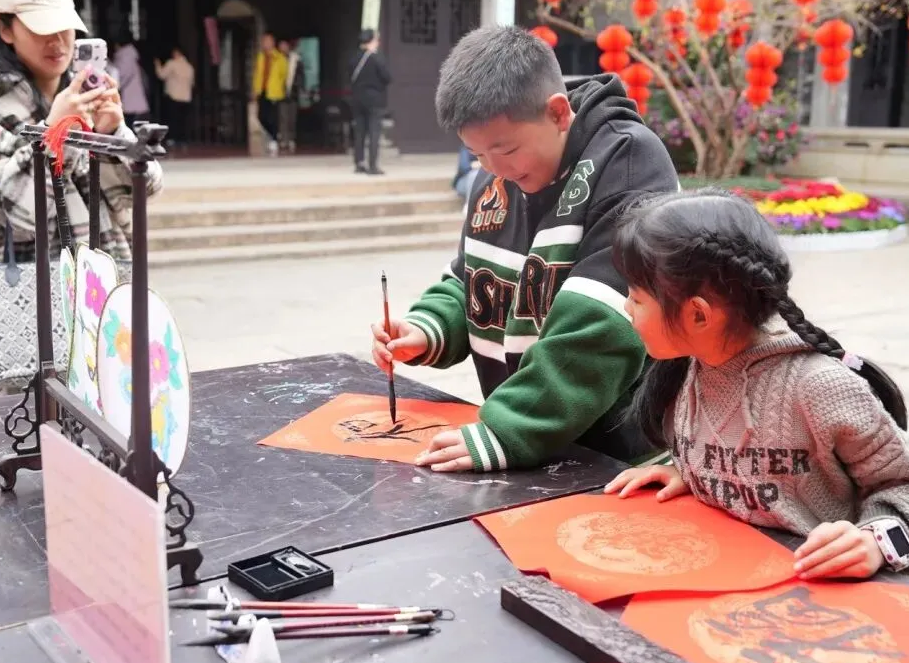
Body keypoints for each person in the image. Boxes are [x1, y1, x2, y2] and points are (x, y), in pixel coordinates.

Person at [370, 25, 678, 472]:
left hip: (619, 454)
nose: (494, 168)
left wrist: (509, 429)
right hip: (531, 443)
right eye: (477, 154)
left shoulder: (629, 163)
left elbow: (602, 328)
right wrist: (428, 327)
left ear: (557, 113)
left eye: (506, 149)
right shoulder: (497, 177)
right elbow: (474, 281)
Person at [604, 190, 909, 578]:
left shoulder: (819, 388)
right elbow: (746, 467)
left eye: (636, 298)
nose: (626, 308)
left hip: (820, 597)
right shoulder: (688, 368)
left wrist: (876, 542)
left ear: (699, 315)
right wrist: (697, 476)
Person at [0, 0, 163, 270]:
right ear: (6, 31)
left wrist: (113, 134)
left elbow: (142, 191)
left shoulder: (87, 96)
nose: (58, 40)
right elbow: (17, 217)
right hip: (19, 280)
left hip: (96, 276)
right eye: (41, 28)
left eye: (65, 26)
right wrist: (55, 134)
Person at [349, 29, 390, 175]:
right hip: (374, 100)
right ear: (371, 41)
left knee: (359, 131)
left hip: (357, 99)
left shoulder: (354, 58)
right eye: (377, 40)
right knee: (374, 132)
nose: (378, 43)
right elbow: (387, 77)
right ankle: (373, 166)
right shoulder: (377, 58)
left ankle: (359, 163)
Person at [252, 33, 288, 157]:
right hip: (262, 91)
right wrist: (255, 90)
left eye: (267, 41)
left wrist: (278, 86)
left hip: (274, 92)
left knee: (272, 117)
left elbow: (284, 74)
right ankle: (272, 135)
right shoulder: (261, 57)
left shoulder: (279, 58)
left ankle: (274, 140)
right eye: (264, 41)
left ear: (272, 43)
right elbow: (257, 74)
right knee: (260, 116)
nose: (265, 44)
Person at [155, 47, 195, 146]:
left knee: (173, 119)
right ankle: (183, 139)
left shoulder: (172, 63)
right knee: (183, 120)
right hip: (186, 97)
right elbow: (192, 83)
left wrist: (157, 65)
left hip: (173, 96)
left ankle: (172, 139)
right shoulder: (189, 67)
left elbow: (161, 75)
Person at [111, 32, 150, 126]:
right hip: (133, 99)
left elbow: (121, 75)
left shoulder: (125, 56)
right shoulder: (130, 55)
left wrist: (114, 85)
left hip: (131, 100)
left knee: (131, 124)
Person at [278, 38, 305, 154]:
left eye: (284, 46)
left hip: (293, 93)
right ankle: (284, 139)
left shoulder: (296, 60)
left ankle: (291, 139)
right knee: (282, 117)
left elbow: (301, 76)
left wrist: (299, 88)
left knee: (292, 118)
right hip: (280, 93)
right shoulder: (277, 59)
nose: (282, 48)